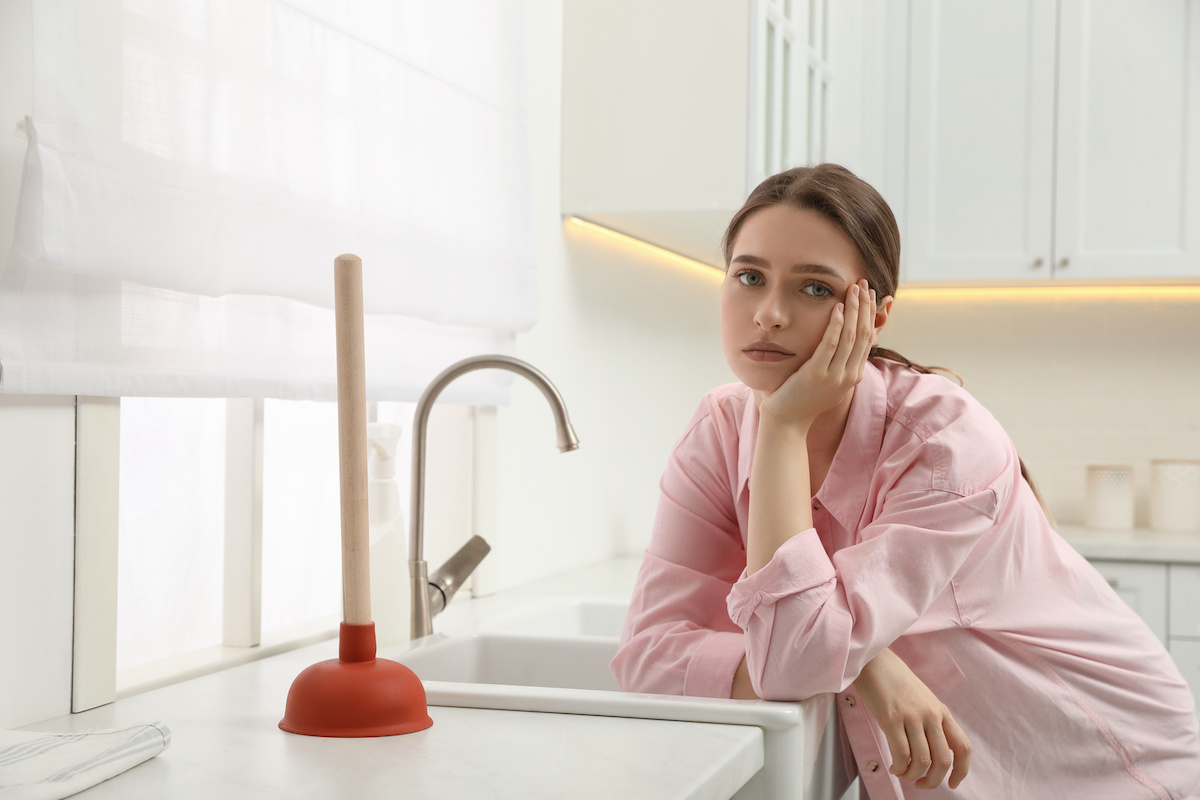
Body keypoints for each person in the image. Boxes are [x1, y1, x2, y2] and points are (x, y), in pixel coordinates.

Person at [611, 163, 1200, 799]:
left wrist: (783, 429)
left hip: (1101, 763)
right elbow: (647, 660)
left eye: (814, 289)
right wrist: (866, 666)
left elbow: (791, 658)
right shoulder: (722, 428)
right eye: (749, 277)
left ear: (876, 315)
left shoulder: (944, 441)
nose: (770, 314)